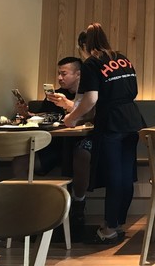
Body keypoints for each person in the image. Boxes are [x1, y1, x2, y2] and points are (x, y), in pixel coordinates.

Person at [63, 23, 145, 244]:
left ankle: (109, 228)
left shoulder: (92, 63)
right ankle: (117, 224)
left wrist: (71, 118)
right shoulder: (122, 58)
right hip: (132, 119)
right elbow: (133, 90)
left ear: (84, 46)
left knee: (114, 176)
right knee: (126, 175)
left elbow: (91, 99)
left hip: (111, 122)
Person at [12, 56, 92, 232]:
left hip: (80, 143)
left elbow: (90, 116)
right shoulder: (54, 95)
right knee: (20, 160)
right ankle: (29, 208)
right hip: (54, 145)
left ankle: (78, 203)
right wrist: (26, 114)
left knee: (83, 154)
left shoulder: (89, 94)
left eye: (64, 74)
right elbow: (42, 118)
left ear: (78, 74)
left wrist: (68, 105)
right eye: (58, 74)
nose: (59, 78)